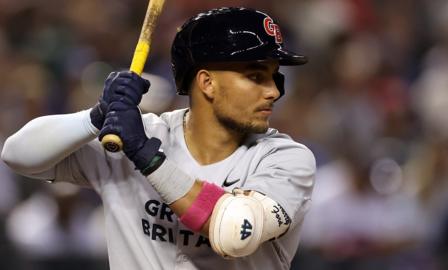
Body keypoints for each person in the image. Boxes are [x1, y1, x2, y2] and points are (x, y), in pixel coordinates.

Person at [1, 7, 315, 270]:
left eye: (274, 77)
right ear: (206, 83)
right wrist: (94, 117)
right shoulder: (142, 134)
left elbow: (234, 233)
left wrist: (148, 159)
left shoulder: (285, 158)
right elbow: (18, 155)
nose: (273, 91)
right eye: (256, 76)